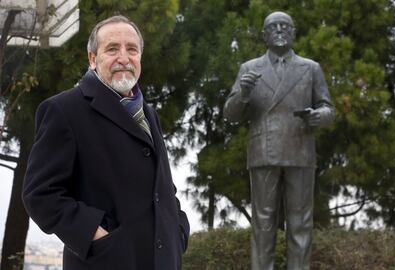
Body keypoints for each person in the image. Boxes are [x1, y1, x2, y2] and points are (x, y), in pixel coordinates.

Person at [22, 15, 189, 270]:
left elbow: (162, 186)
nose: (124, 57)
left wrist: (178, 230)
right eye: (112, 49)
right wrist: (96, 235)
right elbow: (40, 194)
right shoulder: (64, 109)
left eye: (132, 49)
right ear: (92, 58)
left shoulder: (149, 113)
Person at [224, 11, 335, 270]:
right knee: (263, 223)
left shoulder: (310, 68)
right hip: (264, 150)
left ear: (294, 33)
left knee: (301, 223)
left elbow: (328, 108)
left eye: (285, 26)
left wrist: (318, 116)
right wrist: (243, 93)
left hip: (300, 149)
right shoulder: (249, 69)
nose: (280, 31)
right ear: (264, 35)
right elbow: (230, 115)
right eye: (274, 27)